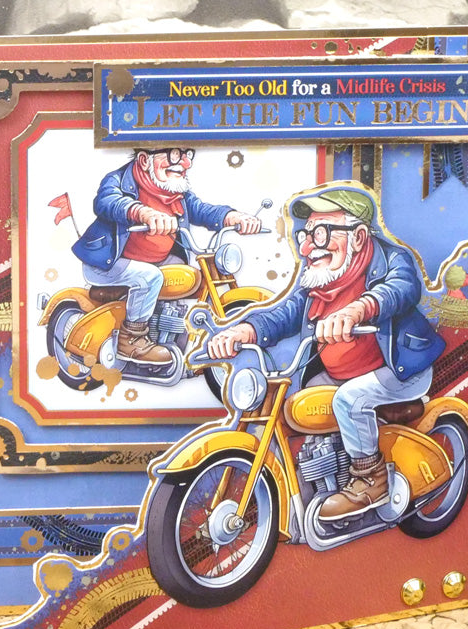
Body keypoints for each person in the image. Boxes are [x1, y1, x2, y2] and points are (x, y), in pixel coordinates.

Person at [207, 183, 445, 521]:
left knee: (349, 400)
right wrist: (245, 330)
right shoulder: (320, 280)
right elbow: (285, 313)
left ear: (358, 237)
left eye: (321, 234)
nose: (307, 247)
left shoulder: (392, 259)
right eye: (305, 235)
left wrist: (359, 309)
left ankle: (371, 479)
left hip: (399, 369)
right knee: (293, 407)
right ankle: (310, 482)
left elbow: (401, 287)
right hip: (339, 374)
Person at [72, 147, 262, 365]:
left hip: (156, 261)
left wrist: (232, 216)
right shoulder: (118, 180)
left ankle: (178, 334)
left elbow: (201, 210)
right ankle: (130, 339)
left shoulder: (175, 194)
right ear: (145, 160)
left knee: (194, 278)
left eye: (187, 155)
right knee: (150, 277)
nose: (185, 163)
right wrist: (142, 212)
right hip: (107, 263)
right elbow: (107, 201)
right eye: (174, 155)